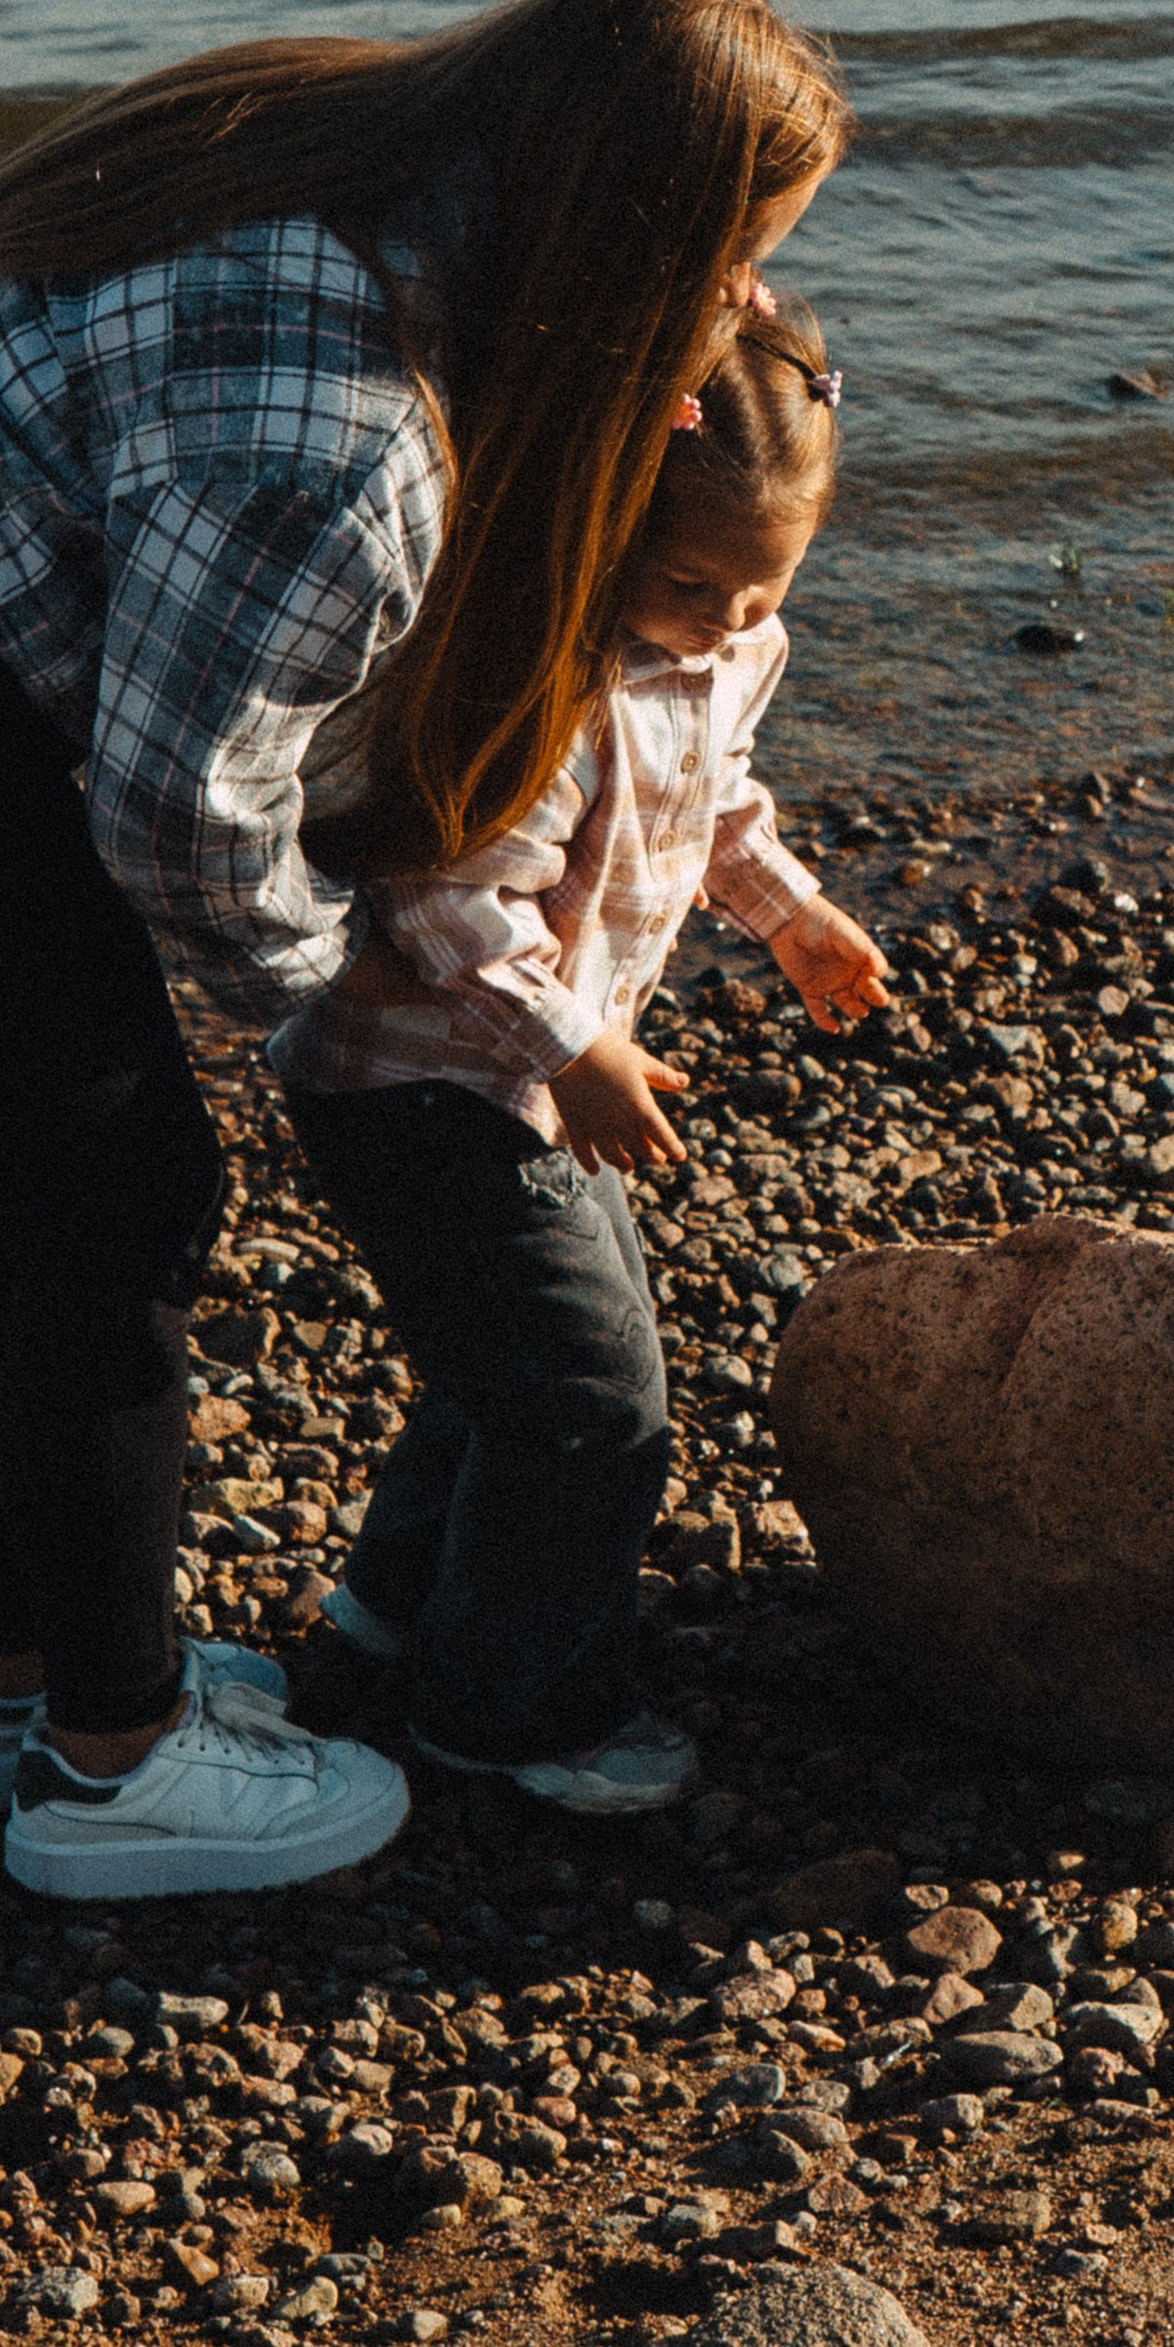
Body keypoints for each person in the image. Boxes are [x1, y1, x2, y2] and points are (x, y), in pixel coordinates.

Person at [0, 0, 849, 1899]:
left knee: (30, 1171)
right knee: (123, 1196)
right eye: (726, 266)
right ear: (617, 232)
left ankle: (9, 1686)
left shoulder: (376, 151)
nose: (743, 316)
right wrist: (352, 982)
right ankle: (113, 1771)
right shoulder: (341, 433)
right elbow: (182, 812)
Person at [271, 292, 889, 1816]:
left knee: (511, 1363)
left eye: (763, 585)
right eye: (690, 583)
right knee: (593, 1400)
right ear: (603, 524)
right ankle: (510, 1711)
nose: (727, 618)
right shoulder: (539, 687)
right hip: (416, 1082)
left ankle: (397, 1615)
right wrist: (580, 1047)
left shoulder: (735, 650)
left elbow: (716, 801)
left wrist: (792, 914)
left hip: (533, 1077)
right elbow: (442, 897)